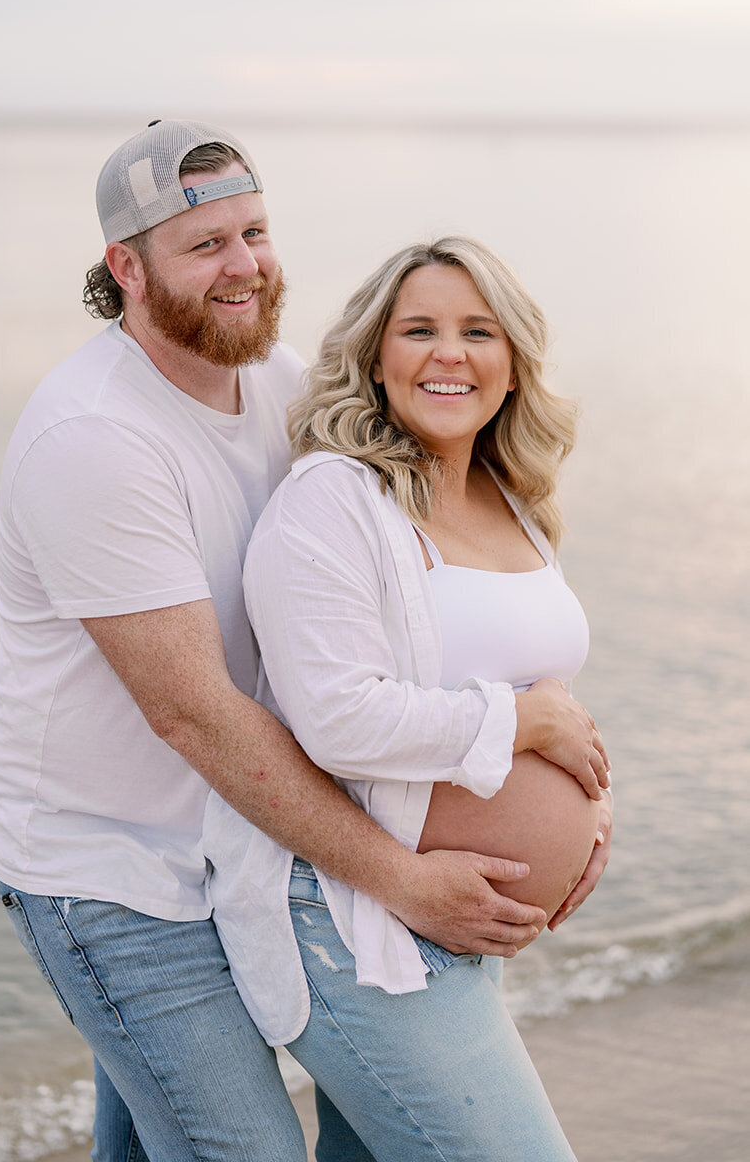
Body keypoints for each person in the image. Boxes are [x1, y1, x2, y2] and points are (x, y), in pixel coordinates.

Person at [0, 127, 609, 1162]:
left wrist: (566, 796)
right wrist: (398, 877)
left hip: (251, 846)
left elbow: (387, 598)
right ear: (124, 269)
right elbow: (195, 712)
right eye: (203, 243)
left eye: (254, 231)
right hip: (120, 874)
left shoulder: (276, 386)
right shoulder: (92, 439)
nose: (243, 265)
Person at [206, 236, 612, 1162]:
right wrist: (524, 724)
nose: (448, 354)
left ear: (512, 364)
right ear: (374, 357)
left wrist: (591, 804)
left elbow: (549, 687)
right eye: (418, 329)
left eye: (478, 331)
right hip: (357, 931)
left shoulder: (514, 501)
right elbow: (339, 718)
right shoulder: (332, 501)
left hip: (462, 926)